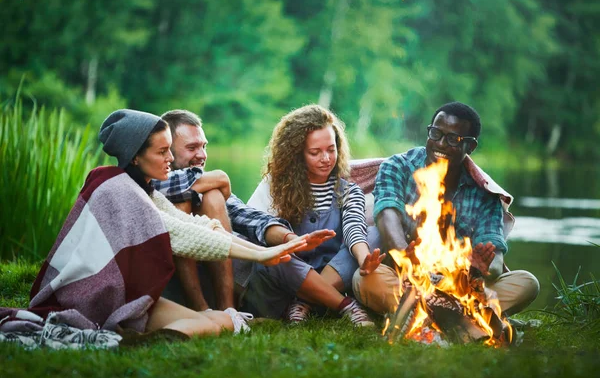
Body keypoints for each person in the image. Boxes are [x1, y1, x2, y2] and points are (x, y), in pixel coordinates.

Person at [1, 109, 310, 342]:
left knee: (214, 323)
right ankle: (126, 342)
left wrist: (268, 249)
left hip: (129, 296)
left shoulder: (145, 189)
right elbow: (181, 235)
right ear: (135, 157)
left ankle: (141, 340)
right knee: (213, 324)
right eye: (162, 152)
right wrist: (260, 256)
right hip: (91, 297)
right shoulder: (115, 187)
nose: (169, 158)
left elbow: (196, 226)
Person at [352, 101, 540, 316]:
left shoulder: (484, 194)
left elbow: (495, 258)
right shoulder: (398, 166)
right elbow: (387, 216)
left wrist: (483, 268)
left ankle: (428, 316)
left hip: (460, 287)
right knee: (365, 279)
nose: (440, 144)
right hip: (406, 279)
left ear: (470, 147)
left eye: (453, 139)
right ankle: (461, 319)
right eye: (436, 133)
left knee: (526, 282)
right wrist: (406, 256)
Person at [152, 110, 335, 312]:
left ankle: (338, 304)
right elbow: (154, 186)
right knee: (188, 200)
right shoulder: (147, 182)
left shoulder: (208, 188)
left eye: (204, 146)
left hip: (225, 279)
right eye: (192, 147)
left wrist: (291, 239)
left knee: (276, 256)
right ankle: (208, 309)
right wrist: (220, 176)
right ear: (167, 150)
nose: (202, 155)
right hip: (168, 284)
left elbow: (249, 217)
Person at [243, 104, 385, 326]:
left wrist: (363, 258)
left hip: (334, 272)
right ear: (296, 154)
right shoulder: (274, 186)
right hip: (287, 278)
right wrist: (288, 243)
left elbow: (354, 227)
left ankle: (305, 302)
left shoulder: (348, 191)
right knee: (278, 253)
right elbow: (253, 227)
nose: (326, 158)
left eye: (331, 149)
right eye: (315, 152)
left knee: (373, 234)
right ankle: (340, 304)